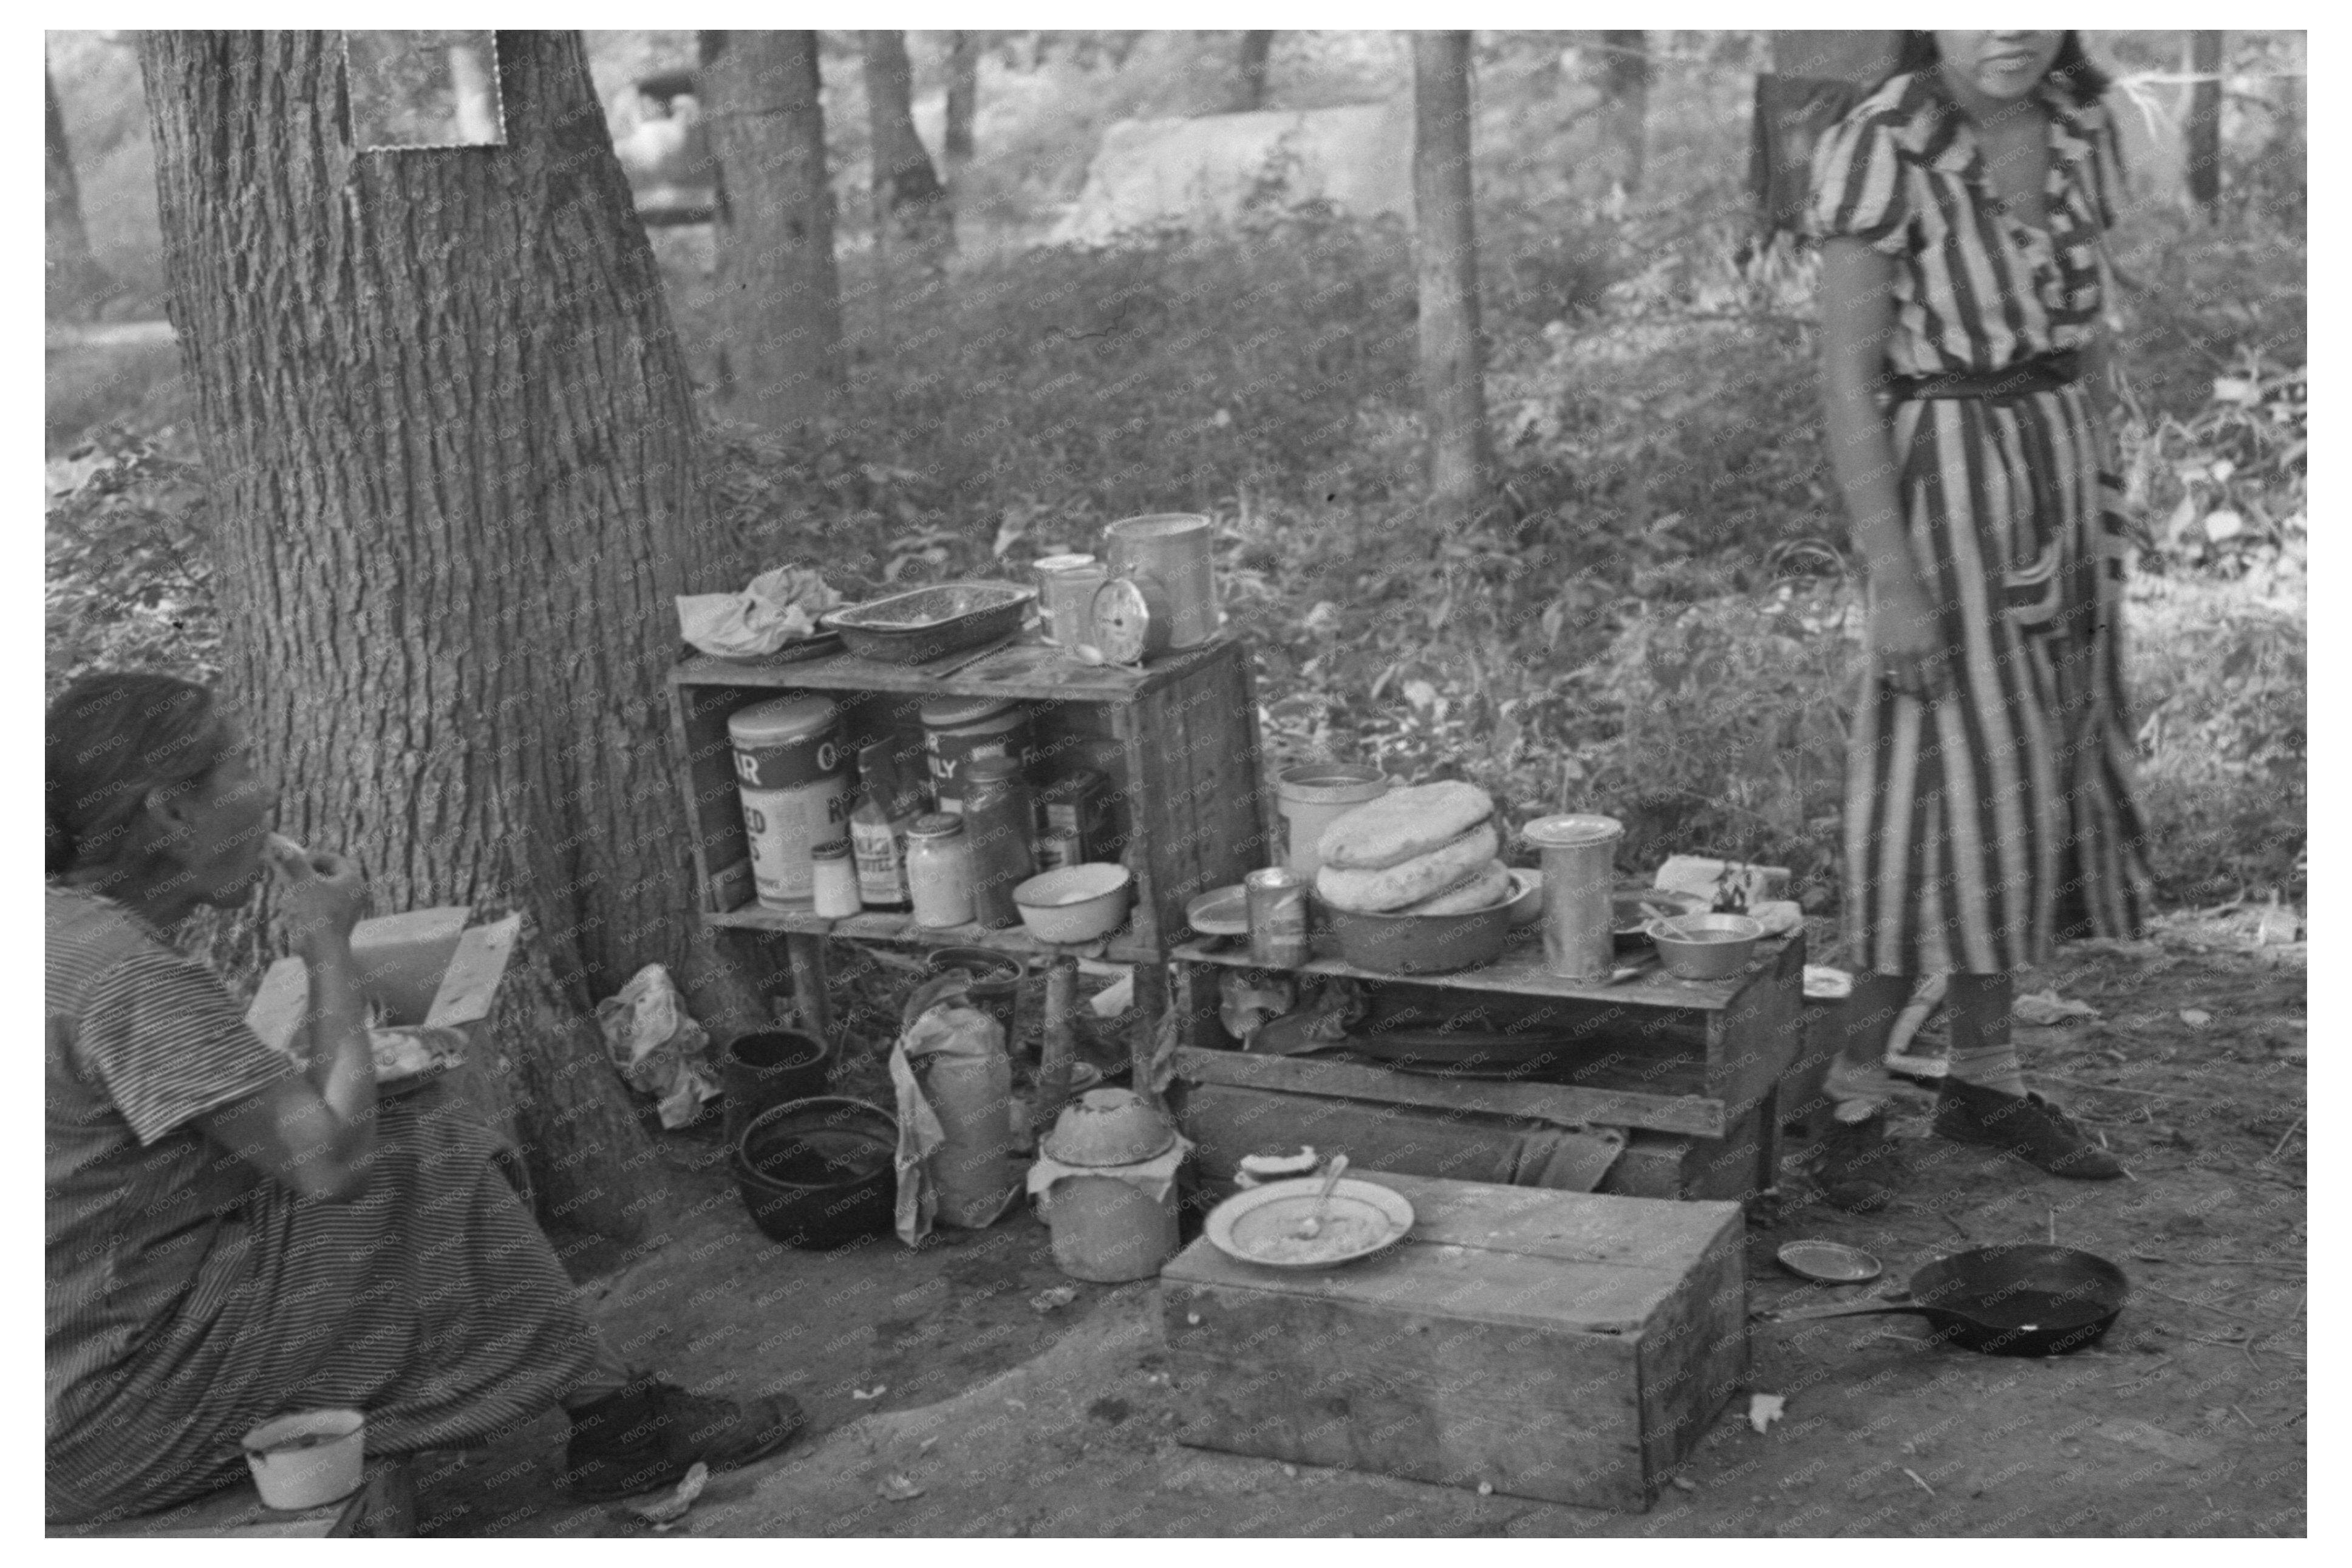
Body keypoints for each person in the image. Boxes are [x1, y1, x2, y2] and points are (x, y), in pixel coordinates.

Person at [45, 673, 802, 1525]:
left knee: (392, 1140)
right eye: (243, 766)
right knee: (418, 1143)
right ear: (171, 811)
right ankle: (614, 1419)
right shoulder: (125, 978)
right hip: (101, 1415)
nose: (266, 791)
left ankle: (596, 1399)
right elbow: (331, 1160)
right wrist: (328, 943)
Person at [1804, 30, 2156, 1208]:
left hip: (2056, 473)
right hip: (1941, 489)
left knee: (2026, 780)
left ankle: (1983, 1076)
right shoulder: (1880, 143)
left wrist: (2104, 497)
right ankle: (1854, 1089)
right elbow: (1846, 379)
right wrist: (1893, 582)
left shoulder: (2080, 127)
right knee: (1925, 795)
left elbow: (2087, 341)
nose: (2009, 26)